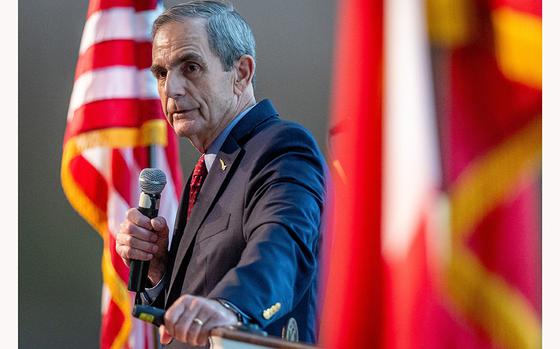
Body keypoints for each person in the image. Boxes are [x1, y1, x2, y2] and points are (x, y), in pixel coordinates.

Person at [116, 1, 326, 347]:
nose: (172, 89)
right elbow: (194, 306)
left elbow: (283, 245)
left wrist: (231, 306)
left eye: (191, 67)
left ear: (241, 73)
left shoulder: (283, 147)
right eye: (161, 73)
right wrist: (159, 269)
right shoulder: (211, 165)